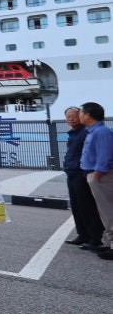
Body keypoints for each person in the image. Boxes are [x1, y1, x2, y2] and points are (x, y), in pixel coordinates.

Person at [62, 107, 104, 249]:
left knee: (87, 207)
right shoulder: (73, 133)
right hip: (72, 173)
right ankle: (83, 234)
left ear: (81, 116)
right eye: (68, 116)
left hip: (81, 173)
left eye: (74, 115)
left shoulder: (86, 132)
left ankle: (94, 238)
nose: (71, 119)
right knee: (77, 206)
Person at [78, 102, 113, 260]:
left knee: (109, 211)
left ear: (88, 115)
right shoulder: (94, 131)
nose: (78, 116)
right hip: (95, 175)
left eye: (80, 113)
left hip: (103, 177)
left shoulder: (101, 131)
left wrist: (96, 174)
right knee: (104, 212)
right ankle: (108, 243)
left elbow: (104, 155)